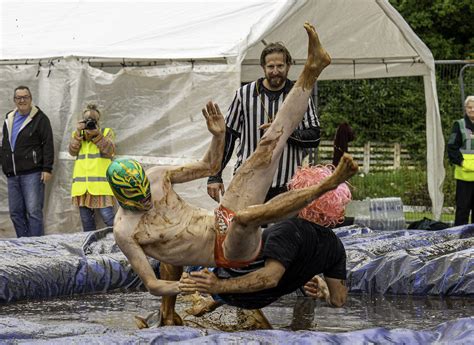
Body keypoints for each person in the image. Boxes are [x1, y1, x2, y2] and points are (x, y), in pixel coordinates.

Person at [108, 22, 356, 325]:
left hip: (220, 218)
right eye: (139, 202)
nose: (147, 202)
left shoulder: (158, 176)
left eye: (147, 195)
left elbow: (210, 167)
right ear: (121, 199)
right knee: (246, 218)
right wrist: (191, 287)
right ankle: (326, 185)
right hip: (227, 253)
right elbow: (152, 284)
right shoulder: (124, 230)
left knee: (267, 147)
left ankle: (313, 69)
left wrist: (218, 135)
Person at [178, 164, 350, 329]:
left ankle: (168, 313)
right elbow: (338, 300)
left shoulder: (289, 229)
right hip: (255, 300)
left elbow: (269, 278)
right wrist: (324, 293)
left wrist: (218, 286)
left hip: (222, 279)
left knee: (176, 241)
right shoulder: (335, 246)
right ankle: (211, 301)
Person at [207, 39, 321, 203]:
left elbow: (315, 137)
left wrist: (283, 133)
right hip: (247, 181)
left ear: (288, 66)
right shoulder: (244, 94)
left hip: (286, 185)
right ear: (263, 68)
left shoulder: (300, 97)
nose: (275, 71)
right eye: (271, 67)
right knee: (236, 227)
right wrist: (215, 176)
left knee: (281, 229)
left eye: (280, 66)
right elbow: (228, 138)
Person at [1, 86, 54, 237]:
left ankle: (37, 247)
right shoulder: (9, 117)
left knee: (33, 212)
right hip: (12, 174)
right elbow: (5, 143)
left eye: (25, 97)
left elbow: (48, 144)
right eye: (19, 98)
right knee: (16, 213)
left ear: (31, 99)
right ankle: (24, 244)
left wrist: (47, 168)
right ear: (14, 100)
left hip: (33, 173)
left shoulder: (40, 118)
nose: (22, 100)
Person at [69, 103, 116, 232]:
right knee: (86, 222)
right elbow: (72, 151)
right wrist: (78, 132)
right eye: (87, 120)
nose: (90, 123)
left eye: (93, 120)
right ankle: (90, 248)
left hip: (101, 186)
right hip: (82, 187)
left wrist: (97, 135)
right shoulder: (78, 134)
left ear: (98, 120)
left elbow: (109, 151)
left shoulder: (106, 132)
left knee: (109, 218)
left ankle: (119, 245)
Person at [447, 95, 474, 225]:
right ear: (465, 109)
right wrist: (462, 162)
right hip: (464, 177)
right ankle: (459, 241)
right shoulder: (459, 125)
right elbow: (452, 148)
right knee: (463, 210)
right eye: (469, 107)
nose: (472, 110)